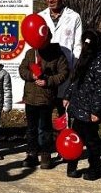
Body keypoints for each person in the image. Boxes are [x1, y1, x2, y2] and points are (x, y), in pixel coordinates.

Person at [63, 29, 101, 181]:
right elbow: (74, 79)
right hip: (78, 106)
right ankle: (72, 167)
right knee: (75, 138)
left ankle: (95, 169)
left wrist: (96, 111)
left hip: (90, 111)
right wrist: (67, 96)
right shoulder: (84, 58)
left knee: (91, 141)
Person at [18, 29, 69, 170]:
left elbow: (64, 73)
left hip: (46, 99)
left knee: (44, 129)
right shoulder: (30, 53)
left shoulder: (57, 54)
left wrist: (48, 81)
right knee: (31, 129)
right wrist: (30, 75)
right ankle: (31, 154)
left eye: (44, 40)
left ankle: (46, 155)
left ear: (49, 39)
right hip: (30, 98)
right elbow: (22, 69)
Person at [38, 0, 82, 113]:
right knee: (45, 112)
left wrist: (75, 68)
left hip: (66, 69)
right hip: (46, 70)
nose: (50, 0)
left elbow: (77, 45)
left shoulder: (73, 17)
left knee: (64, 111)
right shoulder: (41, 17)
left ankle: (63, 133)